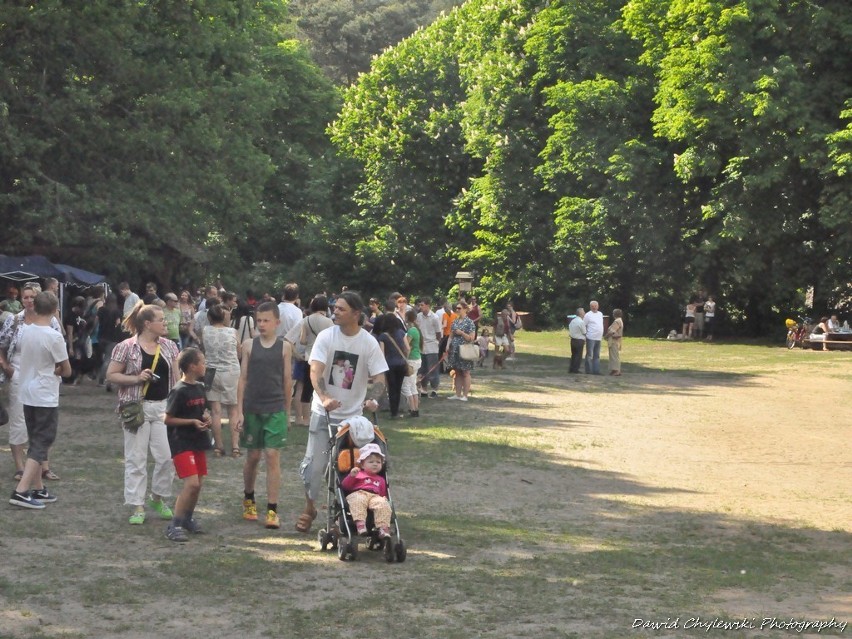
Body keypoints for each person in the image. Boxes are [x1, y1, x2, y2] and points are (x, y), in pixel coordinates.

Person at [298, 291, 388, 534]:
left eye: (341, 308)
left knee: (349, 469)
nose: (335, 312)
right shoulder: (327, 337)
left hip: (353, 420)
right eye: (334, 307)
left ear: (356, 314)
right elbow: (315, 371)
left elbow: (380, 376)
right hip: (323, 413)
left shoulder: (368, 342)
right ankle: (310, 507)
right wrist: (325, 398)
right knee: (315, 466)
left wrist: (373, 398)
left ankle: (342, 518)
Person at [107, 302, 180, 525]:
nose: (165, 323)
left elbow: (177, 378)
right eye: (161, 320)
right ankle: (137, 506)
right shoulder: (126, 346)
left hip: (162, 408)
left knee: (167, 458)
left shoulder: (169, 347)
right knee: (136, 458)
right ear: (148, 324)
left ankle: (157, 498)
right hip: (136, 408)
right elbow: (111, 375)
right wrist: (137, 378)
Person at [8, 291, 71, 509]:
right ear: (55, 311)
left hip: (27, 390)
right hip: (44, 394)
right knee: (43, 440)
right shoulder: (54, 336)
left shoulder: (25, 330)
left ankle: (37, 487)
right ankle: (21, 491)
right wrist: (56, 370)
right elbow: (67, 369)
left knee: (35, 437)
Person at [233, 301, 292, 530]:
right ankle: (249, 498)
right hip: (252, 408)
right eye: (259, 320)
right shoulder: (248, 345)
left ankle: (272, 509)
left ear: (277, 322)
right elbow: (243, 378)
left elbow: (288, 381)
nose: (262, 324)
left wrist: (287, 412)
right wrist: (239, 411)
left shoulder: (285, 347)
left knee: (272, 456)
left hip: (275, 407)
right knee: (253, 457)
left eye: (266, 320)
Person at [0, 282, 64, 482]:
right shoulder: (15, 320)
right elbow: (2, 344)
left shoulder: (50, 321)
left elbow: (58, 346)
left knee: (43, 423)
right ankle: (20, 466)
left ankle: (43, 466)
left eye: (32, 297)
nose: (28, 300)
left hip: (45, 374)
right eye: (25, 297)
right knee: (20, 420)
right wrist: (7, 368)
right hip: (19, 372)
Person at [163, 347, 212, 541]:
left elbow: (202, 411)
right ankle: (174, 525)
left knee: (198, 484)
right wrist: (191, 422)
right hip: (181, 442)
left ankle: (187, 519)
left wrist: (205, 418)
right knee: (191, 484)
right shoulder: (179, 391)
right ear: (192, 366)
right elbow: (167, 419)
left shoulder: (199, 388)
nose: (205, 365)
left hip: (198, 441)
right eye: (202, 362)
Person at [285, 295, 333, 427]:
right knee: (321, 387)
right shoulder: (329, 322)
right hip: (324, 358)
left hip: (309, 357)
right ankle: (322, 415)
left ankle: (305, 418)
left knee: (304, 388)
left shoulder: (306, 320)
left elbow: (302, 340)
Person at [202, 303, 241, 457]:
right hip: (230, 371)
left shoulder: (205, 331)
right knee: (233, 410)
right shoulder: (232, 332)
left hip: (211, 371)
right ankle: (235, 446)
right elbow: (238, 353)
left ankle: (218, 446)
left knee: (215, 411)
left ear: (209, 317)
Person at [340, 442, 392, 539]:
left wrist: (384, 498)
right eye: (371, 462)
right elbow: (345, 486)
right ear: (362, 465)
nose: (375, 464)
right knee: (358, 500)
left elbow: (383, 493)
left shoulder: (381, 479)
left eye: (378, 462)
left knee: (383, 503)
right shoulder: (358, 473)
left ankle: (383, 528)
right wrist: (351, 476)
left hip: (375, 497)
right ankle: (360, 524)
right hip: (359, 493)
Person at [373, 313, 410, 419]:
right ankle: (396, 410)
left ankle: (393, 411)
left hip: (389, 365)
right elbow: (407, 348)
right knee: (398, 388)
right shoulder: (402, 333)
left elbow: (382, 353)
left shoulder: (383, 336)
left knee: (391, 388)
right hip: (401, 364)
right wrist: (404, 358)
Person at [447, 301, 476, 400]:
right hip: (455, 349)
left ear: (465, 309)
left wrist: (462, 333)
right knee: (457, 371)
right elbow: (450, 335)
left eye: (459, 308)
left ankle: (465, 395)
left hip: (465, 350)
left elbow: (471, 338)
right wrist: (447, 346)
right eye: (456, 308)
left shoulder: (469, 322)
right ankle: (457, 394)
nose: (457, 310)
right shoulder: (455, 321)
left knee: (465, 372)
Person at [96, 293, 124, 391]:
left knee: (104, 358)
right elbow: (118, 324)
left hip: (101, 336)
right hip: (112, 337)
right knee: (109, 359)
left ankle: (102, 378)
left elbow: (97, 322)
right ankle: (103, 379)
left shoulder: (101, 310)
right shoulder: (117, 312)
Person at [416, 297, 442, 398]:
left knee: (432, 369)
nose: (420, 307)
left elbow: (438, 333)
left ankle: (435, 389)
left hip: (432, 346)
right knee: (422, 369)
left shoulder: (434, 317)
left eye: (422, 305)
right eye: (420, 305)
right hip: (422, 346)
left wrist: (436, 342)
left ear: (428, 305)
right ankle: (424, 389)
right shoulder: (419, 316)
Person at [402, 309, 422, 417]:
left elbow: (407, 347)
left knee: (406, 386)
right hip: (417, 359)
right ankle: (415, 409)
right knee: (412, 385)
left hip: (411, 360)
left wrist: (404, 357)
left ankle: (412, 408)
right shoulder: (416, 330)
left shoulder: (411, 331)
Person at [584, 301, 604, 375]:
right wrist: (585, 335)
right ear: (590, 307)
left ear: (598, 306)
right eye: (593, 306)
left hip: (598, 337)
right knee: (590, 355)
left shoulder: (600, 314)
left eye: (596, 306)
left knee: (597, 355)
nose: (594, 307)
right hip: (591, 337)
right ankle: (588, 370)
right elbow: (584, 325)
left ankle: (596, 371)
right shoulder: (588, 315)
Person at [605, 308, 624, 376]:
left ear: (614, 314)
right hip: (616, 341)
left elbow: (612, 331)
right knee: (614, 355)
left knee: (614, 356)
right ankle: (614, 369)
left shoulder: (617, 321)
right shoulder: (620, 320)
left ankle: (616, 370)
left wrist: (606, 336)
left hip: (614, 341)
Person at [568, 308, 586, 374]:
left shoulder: (573, 321)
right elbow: (584, 332)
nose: (584, 313)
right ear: (580, 313)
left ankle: (571, 368)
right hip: (579, 340)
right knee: (578, 355)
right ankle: (576, 369)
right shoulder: (581, 322)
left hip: (573, 340)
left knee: (573, 355)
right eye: (583, 312)